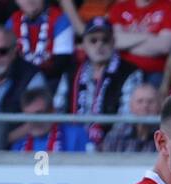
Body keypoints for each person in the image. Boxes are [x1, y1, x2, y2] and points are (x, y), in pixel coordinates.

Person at [53, 18, 143, 152]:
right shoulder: (71, 72)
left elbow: (127, 117)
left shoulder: (130, 72)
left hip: (112, 148)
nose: (99, 45)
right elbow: (58, 109)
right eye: (93, 40)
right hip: (72, 145)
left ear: (113, 42)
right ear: (83, 44)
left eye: (105, 40)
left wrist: (106, 144)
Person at [0, 22, 46, 151]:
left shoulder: (31, 76)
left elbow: (38, 120)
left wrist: (3, 140)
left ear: (14, 52)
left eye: (2, 52)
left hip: (19, 145)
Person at [107, 0, 171, 83]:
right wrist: (149, 37)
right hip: (121, 70)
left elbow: (165, 46)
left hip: (155, 72)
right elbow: (115, 41)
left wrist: (127, 42)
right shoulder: (120, 8)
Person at [5, 83, 77, 149]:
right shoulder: (19, 144)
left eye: (38, 114)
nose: (34, 121)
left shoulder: (75, 135)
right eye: (29, 115)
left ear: (52, 111)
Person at [101, 78, 160, 151]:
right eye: (140, 101)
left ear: (158, 106)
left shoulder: (166, 136)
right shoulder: (117, 134)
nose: (145, 106)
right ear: (131, 106)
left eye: (150, 101)